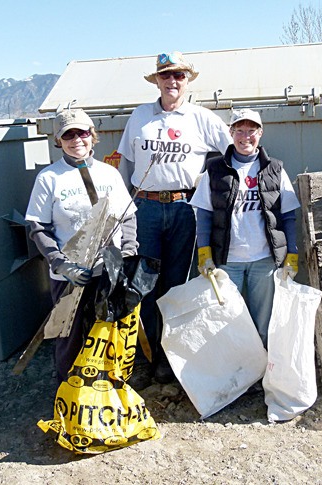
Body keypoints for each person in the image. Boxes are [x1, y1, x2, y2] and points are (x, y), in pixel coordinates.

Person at [117, 51, 232, 389]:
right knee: (144, 285)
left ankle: (170, 359)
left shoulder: (201, 117)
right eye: (165, 75)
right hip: (145, 208)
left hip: (185, 209)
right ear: (157, 80)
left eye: (179, 76)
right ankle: (145, 357)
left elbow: (232, 154)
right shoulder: (139, 116)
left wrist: (213, 191)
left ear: (187, 81)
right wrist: (123, 208)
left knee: (177, 284)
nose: (172, 81)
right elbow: (125, 165)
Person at [25, 105, 138, 384]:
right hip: (69, 276)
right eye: (69, 135)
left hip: (107, 273)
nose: (77, 140)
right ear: (58, 141)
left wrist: (126, 254)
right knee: (69, 335)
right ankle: (69, 392)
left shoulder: (108, 174)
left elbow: (128, 218)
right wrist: (61, 263)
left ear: (93, 135)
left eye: (83, 133)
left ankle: (106, 390)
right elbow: (38, 228)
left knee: (107, 333)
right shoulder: (49, 178)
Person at [190, 108, 300, 348]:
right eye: (239, 130)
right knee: (229, 322)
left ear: (260, 133)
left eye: (251, 131)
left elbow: (288, 215)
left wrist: (291, 252)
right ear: (231, 133)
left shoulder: (275, 169)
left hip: (265, 261)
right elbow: (204, 215)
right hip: (228, 262)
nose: (245, 137)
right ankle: (237, 377)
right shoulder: (215, 169)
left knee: (264, 324)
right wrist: (204, 252)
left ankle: (262, 375)